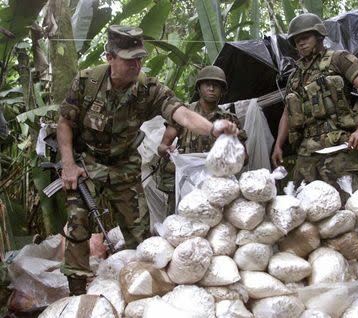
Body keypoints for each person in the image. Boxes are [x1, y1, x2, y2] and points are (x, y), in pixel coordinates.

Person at [57, 25, 238, 295]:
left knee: (140, 233)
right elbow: (64, 122)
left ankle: (139, 289)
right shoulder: (87, 82)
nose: (136, 65)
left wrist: (213, 128)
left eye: (139, 59)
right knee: (78, 223)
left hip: (125, 164)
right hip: (87, 163)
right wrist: (68, 164)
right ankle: (76, 293)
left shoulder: (149, 88)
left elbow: (182, 114)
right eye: (129, 60)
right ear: (110, 57)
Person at [271, 13, 358, 196]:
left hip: (340, 147)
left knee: (357, 205)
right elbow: (286, 113)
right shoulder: (295, 77)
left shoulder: (339, 59)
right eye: (297, 41)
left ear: (319, 36)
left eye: (305, 38)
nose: (301, 43)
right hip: (307, 152)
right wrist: (278, 145)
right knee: (303, 210)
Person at [153, 65, 246, 226]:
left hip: (215, 184)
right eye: (207, 84)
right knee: (178, 224)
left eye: (216, 85)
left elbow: (244, 157)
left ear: (223, 90)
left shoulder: (229, 120)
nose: (211, 88)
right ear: (199, 87)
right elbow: (162, 146)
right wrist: (167, 151)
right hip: (184, 181)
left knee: (215, 226)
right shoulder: (185, 114)